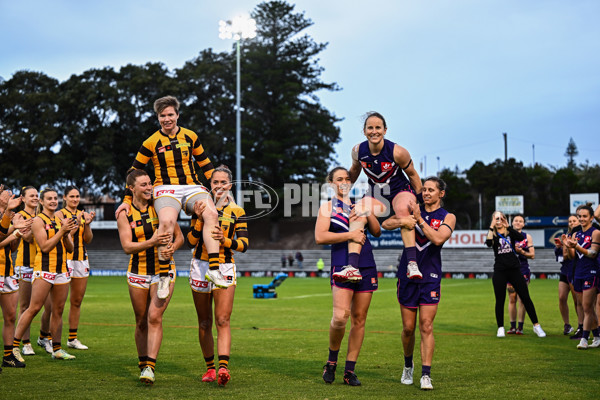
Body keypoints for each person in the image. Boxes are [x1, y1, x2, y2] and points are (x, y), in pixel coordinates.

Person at [115, 95, 223, 299]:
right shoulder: (150, 142)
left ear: (177, 115)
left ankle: (214, 269)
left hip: (192, 186)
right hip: (165, 188)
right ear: (158, 118)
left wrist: (218, 190)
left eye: (170, 114)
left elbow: (205, 164)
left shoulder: (190, 136)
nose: (167, 119)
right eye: (162, 115)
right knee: (165, 221)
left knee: (212, 214)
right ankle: (163, 276)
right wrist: (126, 200)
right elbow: (133, 171)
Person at [382, 176, 455, 390]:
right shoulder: (411, 208)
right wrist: (402, 221)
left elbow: (439, 239)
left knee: (426, 326)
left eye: (431, 190)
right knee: (407, 329)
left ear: (441, 193)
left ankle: (426, 374)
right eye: (424, 189)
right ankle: (407, 366)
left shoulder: (448, 216)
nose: (426, 193)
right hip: (407, 274)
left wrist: (419, 219)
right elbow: (385, 223)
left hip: (430, 276)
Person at [315, 166, 381, 386]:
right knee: (341, 317)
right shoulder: (327, 207)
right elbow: (320, 237)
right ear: (331, 183)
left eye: (347, 178)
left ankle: (349, 370)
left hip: (366, 264)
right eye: (339, 179)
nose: (344, 182)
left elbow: (377, 231)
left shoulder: (358, 204)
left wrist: (367, 211)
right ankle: (331, 361)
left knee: (359, 319)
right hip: (342, 264)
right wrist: (350, 234)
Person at [117, 169, 183, 384]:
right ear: (131, 188)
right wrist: (152, 243)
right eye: (143, 185)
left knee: (154, 317)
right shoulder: (124, 213)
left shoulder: (162, 207)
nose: (148, 188)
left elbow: (180, 237)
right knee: (141, 321)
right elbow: (127, 246)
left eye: (149, 184)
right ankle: (142, 362)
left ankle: (150, 368)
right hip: (138, 272)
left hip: (163, 271)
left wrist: (171, 247)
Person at [341, 112, 422, 283]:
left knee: (403, 209)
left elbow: (413, 175)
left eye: (378, 127)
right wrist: (344, 193)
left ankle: (412, 264)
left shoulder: (398, 152)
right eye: (370, 127)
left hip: (400, 190)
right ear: (364, 131)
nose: (374, 131)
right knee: (357, 211)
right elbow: (354, 171)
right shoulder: (357, 151)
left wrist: (420, 201)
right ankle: (352, 268)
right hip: (376, 193)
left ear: (385, 130)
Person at [187, 165, 249, 387]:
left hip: (224, 267)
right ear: (209, 185)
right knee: (204, 322)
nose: (219, 186)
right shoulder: (201, 207)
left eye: (223, 182)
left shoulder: (237, 212)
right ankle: (210, 369)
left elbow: (244, 245)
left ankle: (223, 367)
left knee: (223, 319)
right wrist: (199, 219)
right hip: (200, 266)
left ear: (230, 185)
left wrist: (226, 241)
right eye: (215, 182)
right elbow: (191, 241)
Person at [13, 188, 78, 362]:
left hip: (61, 270)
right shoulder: (37, 221)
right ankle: (14, 346)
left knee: (57, 310)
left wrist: (66, 233)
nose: (53, 201)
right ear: (42, 202)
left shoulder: (60, 219)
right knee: (33, 308)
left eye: (55, 198)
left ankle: (57, 348)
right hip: (44, 269)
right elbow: (45, 246)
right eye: (49, 199)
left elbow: (71, 248)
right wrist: (62, 231)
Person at [485, 211, 546, 338]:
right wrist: (491, 226)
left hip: (514, 270)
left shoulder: (510, 232)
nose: (498, 220)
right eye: (496, 218)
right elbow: (489, 243)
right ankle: (500, 327)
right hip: (500, 271)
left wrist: (508, 226)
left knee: (525, 297)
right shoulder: (493, 234)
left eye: (501, 218)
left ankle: (536, 325)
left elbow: (520, 238)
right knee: (500, 300)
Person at [56, 186, 96, 351]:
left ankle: (72, 338)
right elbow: (58, 238)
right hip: (63, 260)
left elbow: (88, 239)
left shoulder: (83, 214)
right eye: (71, 196)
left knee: (76, 301)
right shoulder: (59, 215)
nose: (74, 199)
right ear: (64, 197)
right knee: (57, 304)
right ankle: (48, 338)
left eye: (77, 196)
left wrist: (86, 224)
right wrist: (71, 229)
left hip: (81, 260)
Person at [564, 203, 600, 349]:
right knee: (588, 308)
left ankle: (584, 339)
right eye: (580, 216)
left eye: (585, 216)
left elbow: (593, 253)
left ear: (591, 218)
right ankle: (597, 337)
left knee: (586, 307)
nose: (582, 219)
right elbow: (573, 256)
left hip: (591, 272)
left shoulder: (595, 232)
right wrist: (567, 245)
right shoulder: (575, 234)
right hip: (578, 272)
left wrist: (577, 246)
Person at [1, 193, 30, 368]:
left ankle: (8, 356)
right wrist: (13, 232)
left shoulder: (11, 217)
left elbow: (12, 247)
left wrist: (18, 232)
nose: (11, 196)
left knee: (10, 315)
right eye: (6, 193)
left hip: (7, 271)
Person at [506, 214, 535, 335]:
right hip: (509, 270)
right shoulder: (506, 235)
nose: (518, 222)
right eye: (516, 220)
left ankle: (520, 327)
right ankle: (512, 326)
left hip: (523, 270)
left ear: (523, 224)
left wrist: (521, 251)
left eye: (520, 221)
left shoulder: (526, 236)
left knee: (522, 298)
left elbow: (532, 255)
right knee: (512, 298)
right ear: (512, 223)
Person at [556, 215, 583, 337]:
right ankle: (567, 325)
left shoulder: (580, 235)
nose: (572, 223)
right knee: (562, 297)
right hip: (565, 270)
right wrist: (560, 247)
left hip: (575, 270)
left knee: (577, 300)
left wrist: (566, 246)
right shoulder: (566, 235)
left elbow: (570, 255)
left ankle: (581, 326)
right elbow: (561, 258)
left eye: (574, 221)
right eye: (570, 221)